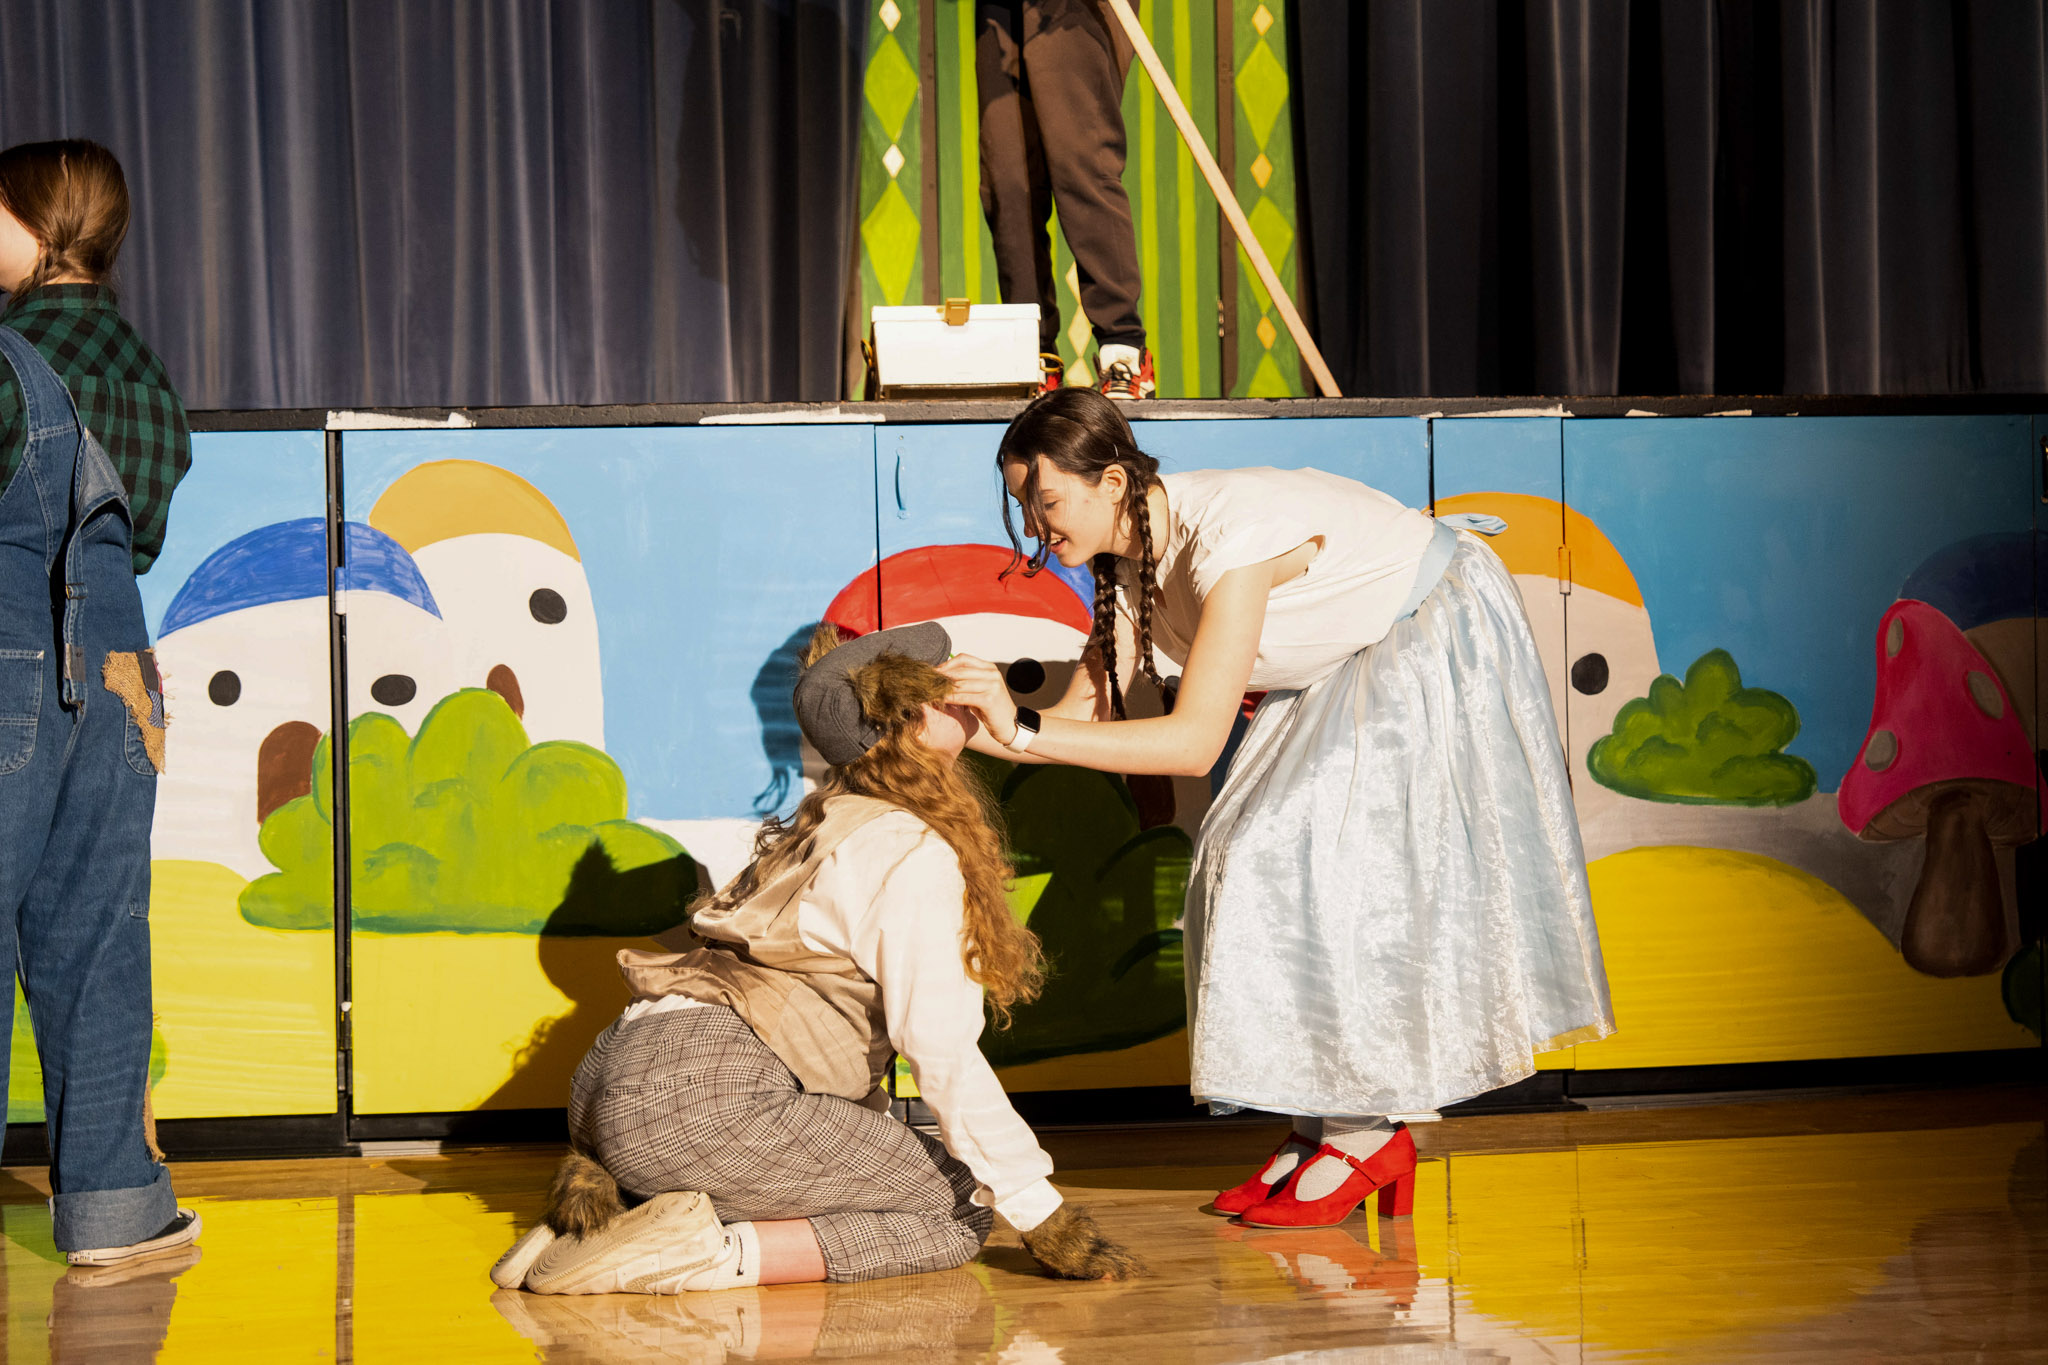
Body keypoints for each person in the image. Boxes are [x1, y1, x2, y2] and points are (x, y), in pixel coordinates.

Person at [938, 388, 1614, 1228]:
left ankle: (1368, 1136)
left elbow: (1188, 742)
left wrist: (1023, 727)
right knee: (1237, 855)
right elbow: (1090, 713)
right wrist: (962, 730)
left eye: (1045, 502)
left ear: (1111, 481)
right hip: (1342, 654)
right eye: (1024, 508)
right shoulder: (1120, 564)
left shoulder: (1226, 535)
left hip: (1426, 624)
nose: (1038, 527)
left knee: (1282, 853)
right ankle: (1319, 1122)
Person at [491, 622, 1143, 1292]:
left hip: (606, 1090)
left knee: (878, 1178)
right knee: (962, 1204)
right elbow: (940, 1052)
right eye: (943, 682)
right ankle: (691, 1255)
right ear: (913, 719)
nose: (962, 686)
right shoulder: (906, 846)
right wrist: (1044, 1215)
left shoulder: (829, 819)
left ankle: (608, 1223)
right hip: (700, 1102)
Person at [0, 139, 198, 1264]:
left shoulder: (8, 360)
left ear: (35, 220)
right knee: (101, 936)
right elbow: (145, 530)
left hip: (10, 652)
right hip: (125, 671)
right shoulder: (145, 372)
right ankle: (120, 1214)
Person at [978, 0, 1154, 400]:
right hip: (998, 14)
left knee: (1081, 161)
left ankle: (1122, 348)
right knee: (1008, 179)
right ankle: (1034, 354)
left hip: (1071, 10)